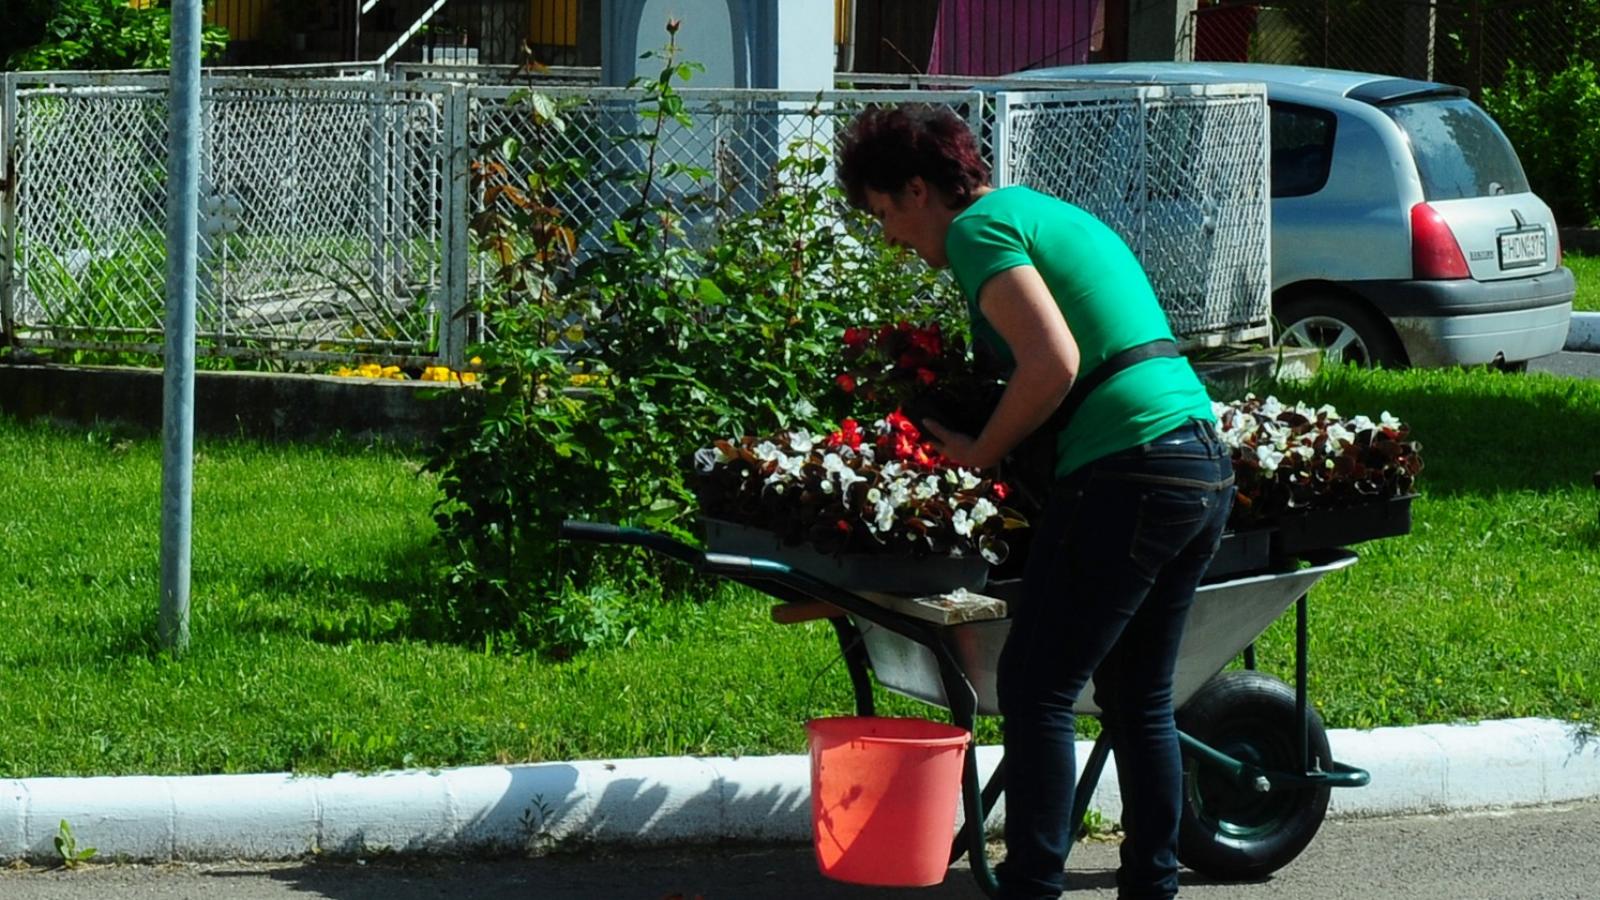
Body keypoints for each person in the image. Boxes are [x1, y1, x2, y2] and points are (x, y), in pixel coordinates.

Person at [836, 104, 1235, 900]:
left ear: (920, 189)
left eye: (885, 212)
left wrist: (979, 451)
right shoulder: (1038, 211)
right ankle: (1152, 886)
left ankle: (1032, 886)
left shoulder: (980, 229)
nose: (888, 236)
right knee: (1137, 694)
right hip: (1195, 462)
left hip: (1128, 468)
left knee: (1037, 686)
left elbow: (1053, 359)